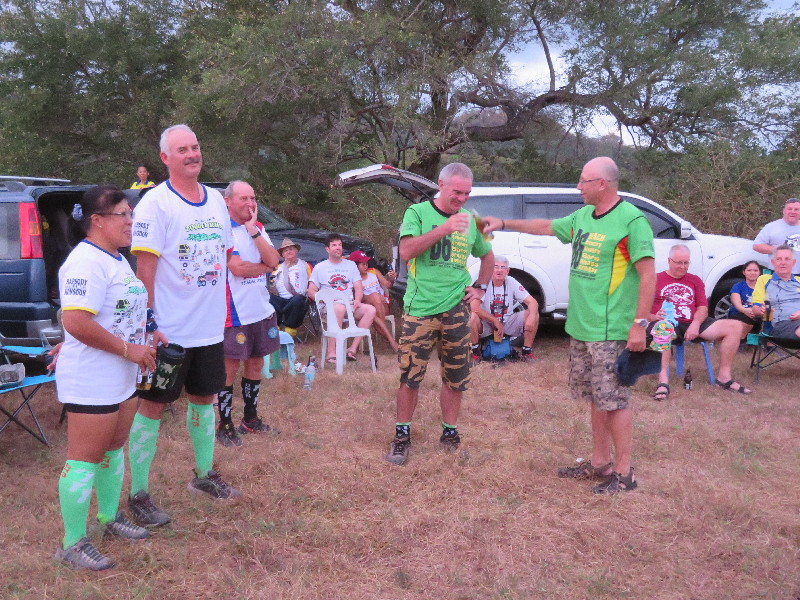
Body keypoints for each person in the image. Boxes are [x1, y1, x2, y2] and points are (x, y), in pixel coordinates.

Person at [483, 157, 655, 494]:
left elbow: (648, 274)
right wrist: (503, 222)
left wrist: (639, 323)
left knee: (615, 400)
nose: (578, 187)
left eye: (583, 180)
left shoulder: (632, 221)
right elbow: (547, 226)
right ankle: (600, 462)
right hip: (581, 325)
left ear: (602, 183)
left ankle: (624, 473)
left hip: (610, 329)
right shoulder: (582, 216)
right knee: (595, 396)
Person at [127, 124, 237, 529]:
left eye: (195, 147)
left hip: (208, 328)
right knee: (153, 406)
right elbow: (144, 269)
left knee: (204, 400)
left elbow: (223, 259)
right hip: (168, 331)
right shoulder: (154, 204)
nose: (192, 154)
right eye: (182, 149)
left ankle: (204, 475)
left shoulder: (216, 201)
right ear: (165, 158)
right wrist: (148, 322)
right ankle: (139, 493)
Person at [54, 185, 161, 570]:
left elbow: (109, 314)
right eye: (123, 215)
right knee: (84, 458)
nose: (131, 222)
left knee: (114, 448)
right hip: (92, 376)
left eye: (131, 214)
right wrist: (128, 349)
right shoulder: (86, 261)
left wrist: (145, 338)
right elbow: (76, 320)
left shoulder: (116, 259)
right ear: (97, 221)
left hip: (122, 373)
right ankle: (71, 543)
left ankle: (109, 516)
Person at [386, 162, 494, 466]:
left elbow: (488, 256)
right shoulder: (417, 213)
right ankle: (401, 436)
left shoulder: (473, 219)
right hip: (420, 309)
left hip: (457, 309)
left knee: (456, 376)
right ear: (441, 185)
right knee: (410, 376)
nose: (462, 199)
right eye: (457, 192)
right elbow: (406, 251)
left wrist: (480, 288)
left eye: (467, 194)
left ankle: (450, 433)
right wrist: (444, 229)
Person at [215, 181, 281, 447]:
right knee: (228, 369)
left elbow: (274, 261)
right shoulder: (222, 231)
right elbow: (238, 268)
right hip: (234, 313)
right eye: (244, 198)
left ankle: (250, 419)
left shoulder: (258, 229)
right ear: (228, 201)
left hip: (261, 310)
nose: (250, 204)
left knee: (255, 364)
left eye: (253, 198)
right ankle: (224, 424)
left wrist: (253, 231)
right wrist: (264, 267)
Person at [650, 244, 752, 399]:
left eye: (686, 263)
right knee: (662, 328)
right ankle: (663, 381)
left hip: (693, 320)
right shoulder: (656, 279)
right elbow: (640, 308)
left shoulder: (694, 280)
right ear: (669, 261)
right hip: (666, 321)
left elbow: (703, 308)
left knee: (735, 326)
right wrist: (653, 316)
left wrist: (695, 324)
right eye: (678, 262)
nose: (683, 266)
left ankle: (724, 378)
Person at [308, 234, 376, 363]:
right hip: (329, 306)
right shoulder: (320, 267)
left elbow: (358, 287)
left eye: (339, 245)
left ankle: (352, 349)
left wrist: (357, 300)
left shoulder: (350, 265)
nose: (338, 248)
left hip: (349, 304)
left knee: (370, 310)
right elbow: (311, 291)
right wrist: (324, 299)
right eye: (334, 245)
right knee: (338, 308)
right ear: (327, 249)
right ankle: (331, 352)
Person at [469, 254, 538, 361]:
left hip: (508, 322)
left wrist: (532, 318)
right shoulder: (482, 282)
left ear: (507, 271)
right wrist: (494, 320)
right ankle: (475, 352)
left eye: (503, 267)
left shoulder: (511, 281)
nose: (499, 270)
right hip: (487, 323)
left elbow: (532, 302)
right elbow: (474, 308)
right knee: (472, 316)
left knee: (533, 313)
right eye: (496, 267)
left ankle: (526, 351)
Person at [348, 249, 399, 352]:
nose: (366, 266)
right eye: (363, 264)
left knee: (376, 299)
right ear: (355, 266)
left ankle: (388, 339)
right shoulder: (353, 279)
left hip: (383, 306)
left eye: (366, 263)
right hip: (368, 308)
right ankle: (391, 341)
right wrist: (373, 297)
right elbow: (358, 299)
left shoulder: (374, 272)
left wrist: (392, 278)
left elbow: (388, 285)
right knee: (374, 300)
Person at [752, 245, 800, 340]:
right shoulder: (764, 280)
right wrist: (761, 310)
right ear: (773, 262)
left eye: (787, 259)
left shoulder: (798, 280)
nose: (783, 263)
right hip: (782, 324)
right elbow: (755, 309)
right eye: (779, 259)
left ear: (793, 262)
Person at [269, 238, 310, 337]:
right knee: (268, 298)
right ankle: (275, 329)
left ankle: (289, 331)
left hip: (298, 299)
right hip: (281, 300)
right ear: (282, 254)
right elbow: (271, 285)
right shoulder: (277, 268)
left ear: (296, 251)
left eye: (291, 249)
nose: (289, 252)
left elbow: (313, 282)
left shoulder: (305, 265)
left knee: (298, 300)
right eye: (286, 250)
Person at [727, 260, 762, 339]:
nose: (752, 273)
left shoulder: (763, 287)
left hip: (757, 314)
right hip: (739, 313)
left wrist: (756, 311)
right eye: (749, 270)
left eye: (755, 270)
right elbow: (736, 303)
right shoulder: (738, 286)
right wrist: (745, 310)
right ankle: (739, 339)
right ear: (744, 272)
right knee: (745, 320)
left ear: (759, 272)